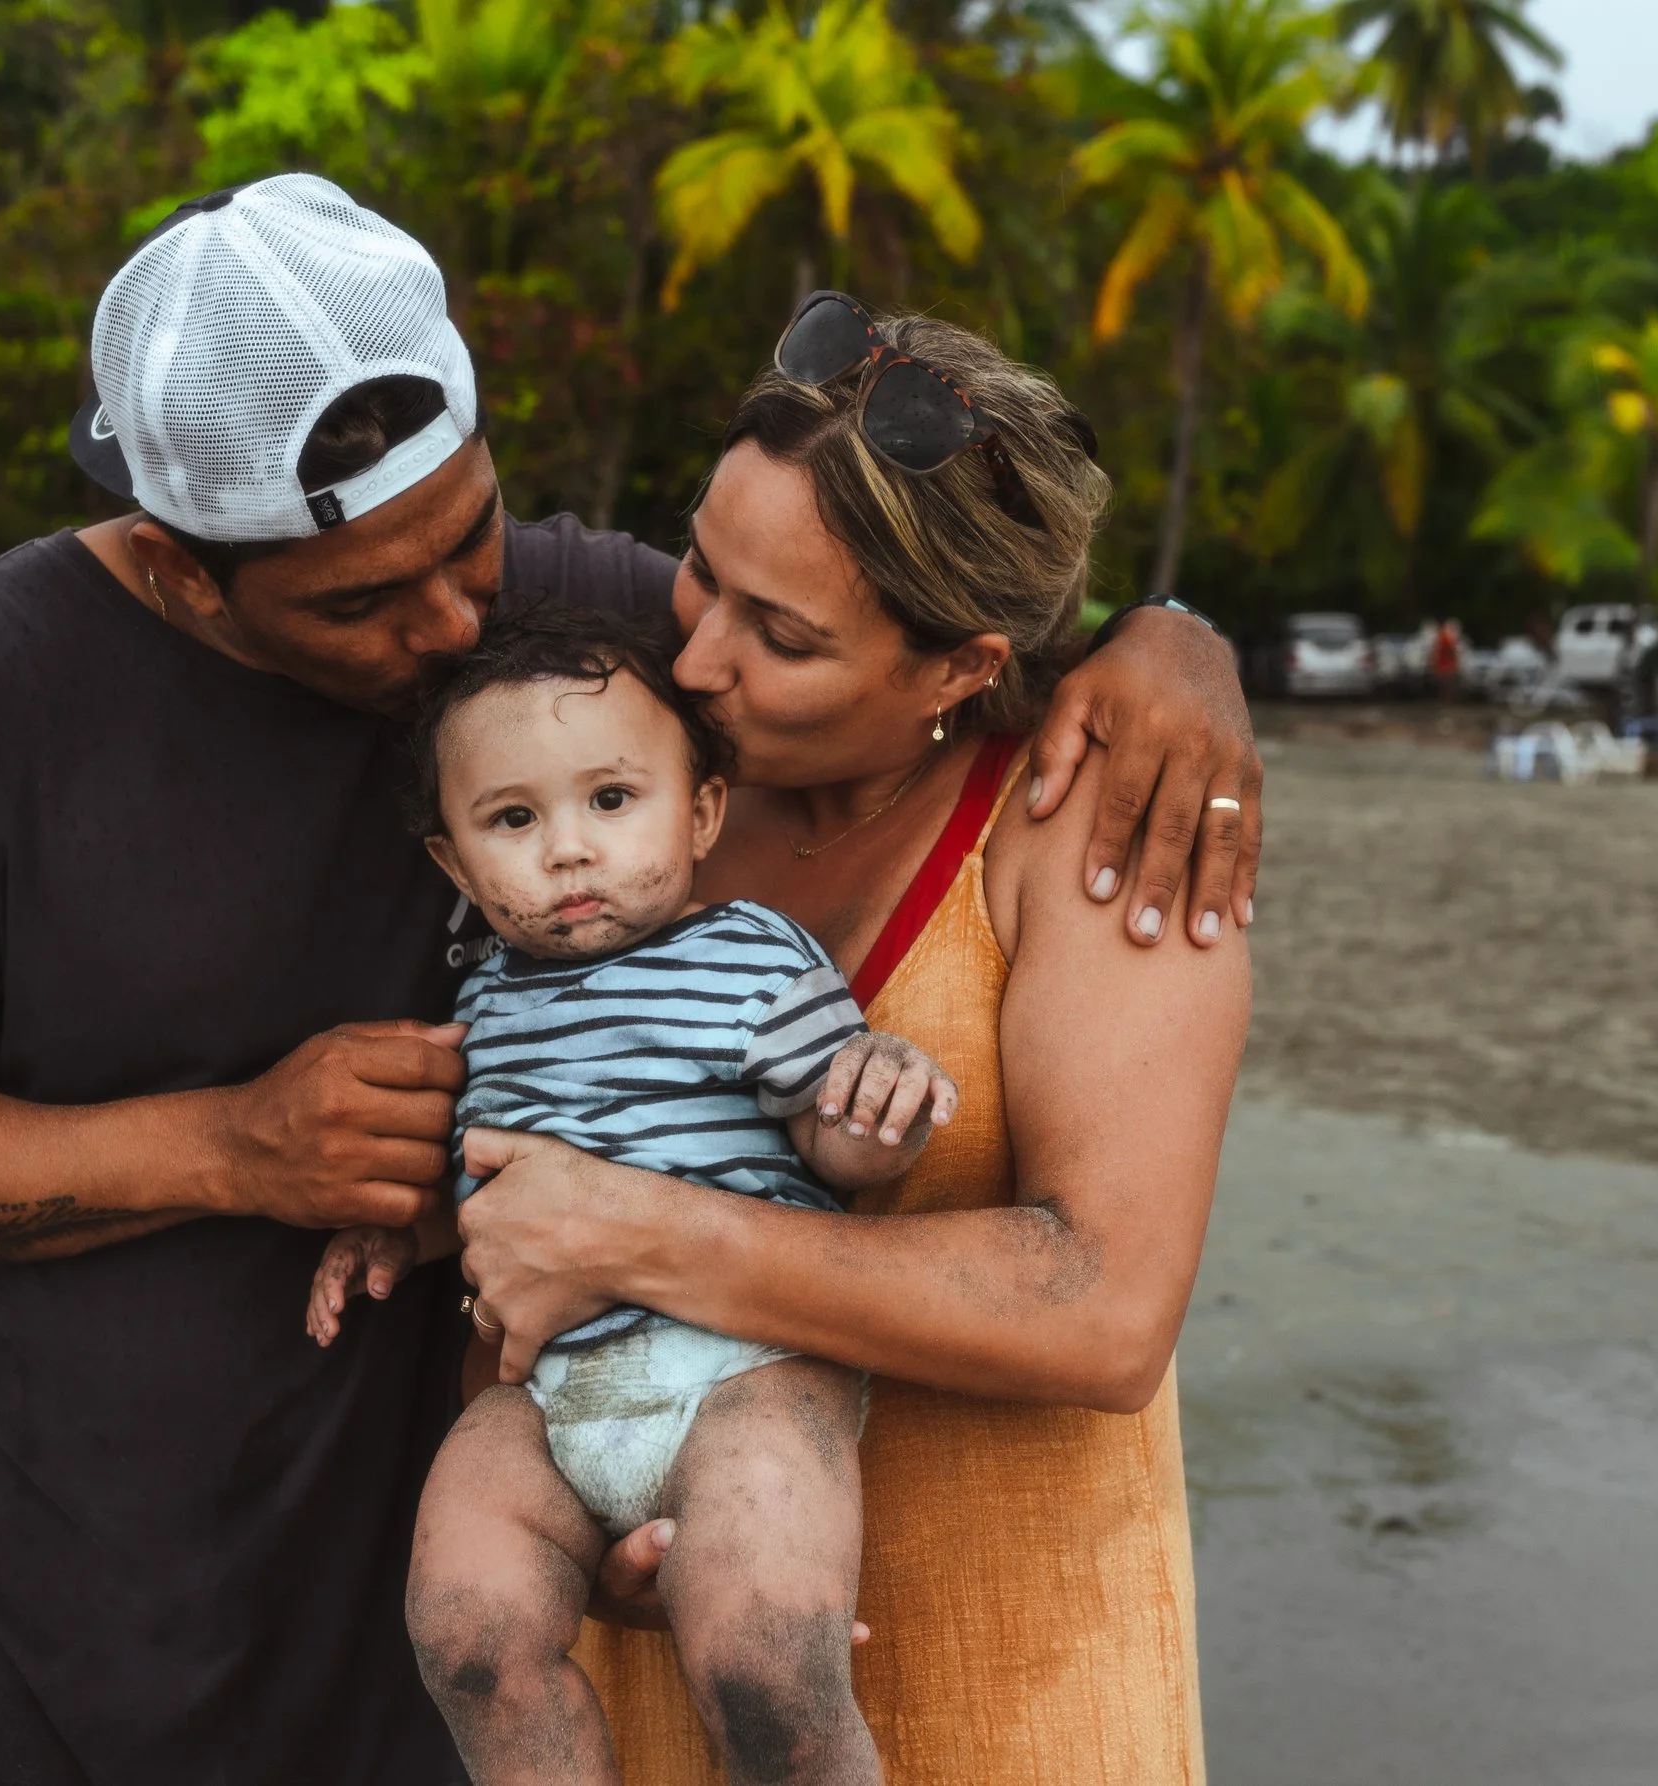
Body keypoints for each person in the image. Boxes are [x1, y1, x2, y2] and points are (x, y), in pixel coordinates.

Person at [0, 177, 1259, 1785]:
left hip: (467, 1665)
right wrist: (232, 1146)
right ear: (182, 572)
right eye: (362, 602)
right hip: (69, 1656)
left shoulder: (595, 650)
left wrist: (1169, 639)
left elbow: (921, 604)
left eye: (474, 534)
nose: (458, 622)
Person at [451, 297, 1252, 1782]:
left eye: (784, 635)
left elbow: (1104, 1307)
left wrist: (636, 1236)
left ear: (959, 666)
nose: (700, 658)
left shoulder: (1091, 821)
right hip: (661, 1665)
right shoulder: (615, 789)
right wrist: (570, 1510)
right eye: (703, 569)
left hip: (1013, 1674)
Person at [309, 609, 956, 1784]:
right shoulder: (485, 1002)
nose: (568, 850)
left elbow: (836, 1150)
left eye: (611, 799)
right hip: (553, 1396)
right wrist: (402, 1232)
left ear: (701, 813)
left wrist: (880, 1100)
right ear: (453, 862)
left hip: (749, 1375)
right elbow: (489, 1188)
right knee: (465, 1636)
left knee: (764, 1667)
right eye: (513, 819)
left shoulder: (750, 955)